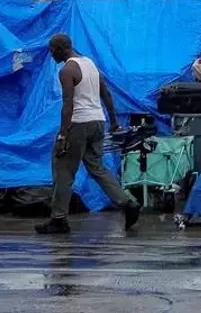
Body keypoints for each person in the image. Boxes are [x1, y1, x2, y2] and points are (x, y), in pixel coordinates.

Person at [35, 33, 140, 234]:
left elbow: (68, 104)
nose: (51, 55)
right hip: (98, 121)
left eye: (52, 51)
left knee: (63, 169)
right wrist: (114, 121)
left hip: (78, 123)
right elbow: (106, 93)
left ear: (60, 49)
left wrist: (63, 134)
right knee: (97, 168)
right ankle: (127, 203)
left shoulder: (67, 70)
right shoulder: (90, 64)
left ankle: (58, 219)